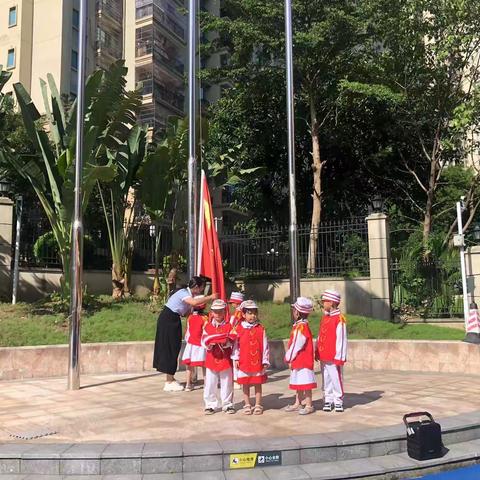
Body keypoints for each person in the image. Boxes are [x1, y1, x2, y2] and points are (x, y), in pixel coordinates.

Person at [153, 276, 218, 392]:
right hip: (168, 320)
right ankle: (168, 381)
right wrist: (210, 297)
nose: (202, 291)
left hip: (174, 320)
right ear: (196, 287)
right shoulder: (184, 293)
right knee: (170, 348)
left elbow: (186, 312)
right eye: (202, 288)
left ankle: (171, 378)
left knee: (174, 348)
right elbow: (193, 302)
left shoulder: (188, 296)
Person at [231, 300, 269, 415]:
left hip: (257, 361)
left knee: (258, 383)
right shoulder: (239, 329)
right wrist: (236, 358)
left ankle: (258, 404)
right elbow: (235, 345)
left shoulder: (260, 328)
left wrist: (265, 360)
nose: (253, 315)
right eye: (249, 313)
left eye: (254, 313)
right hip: (244, 361)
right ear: (243, 314)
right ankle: (247, 404)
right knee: (245, 383)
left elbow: (265, 345)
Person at [201, 299, 236, 414]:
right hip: (212, 358)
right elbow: (203, 340)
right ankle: (210, 404)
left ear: (224, 312)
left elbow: (233, 337)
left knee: (227, 382)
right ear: (211, 313)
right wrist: (209, 344)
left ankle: (227, 404)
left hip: (225, 358)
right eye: (215, 312)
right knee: (210, 383)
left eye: (220, 311)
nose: (218, 314)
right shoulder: (208, 326)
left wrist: (226, 342)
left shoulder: (229, 326)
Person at [284, 297, 317, 415]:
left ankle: (309, 404)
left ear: (297, 313)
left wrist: (288, 357)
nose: (293, 313)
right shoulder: (300, 326)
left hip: (303, 360)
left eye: (294, 310)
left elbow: (296, 344)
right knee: (298, 382)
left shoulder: (301, 327)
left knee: (305, 383)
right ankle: (298, 402)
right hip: (299, 360)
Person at [316, 289, 347, 412]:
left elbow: (341, 338)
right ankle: (328, 399)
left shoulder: (339, 319)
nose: (323, 303)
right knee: (326, 377)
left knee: (335, 377)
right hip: (324, 355)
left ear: (332, 302)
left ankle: (338, 399)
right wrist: (317, 350)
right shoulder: (325, 318)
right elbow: (320, 335)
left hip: (334, 356)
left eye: (325, 301)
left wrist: (340, 356)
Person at [181, 295, 208, 391]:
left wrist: (188, 340)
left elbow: (188, 332)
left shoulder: (190, 317)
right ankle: (206, 384)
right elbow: (205, 331)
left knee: (189, 366)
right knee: (204, 365)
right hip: (201, 345)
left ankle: (188, 384)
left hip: (191, 344)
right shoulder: (205, 318)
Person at [228, 291, 245, 389]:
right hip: (241, 337)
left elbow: (233, 325)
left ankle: (237, 380)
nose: (231, 304)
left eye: (232, 302)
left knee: (236, 358)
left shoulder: (238, 313)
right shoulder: (242, 312)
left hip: (237, 338)